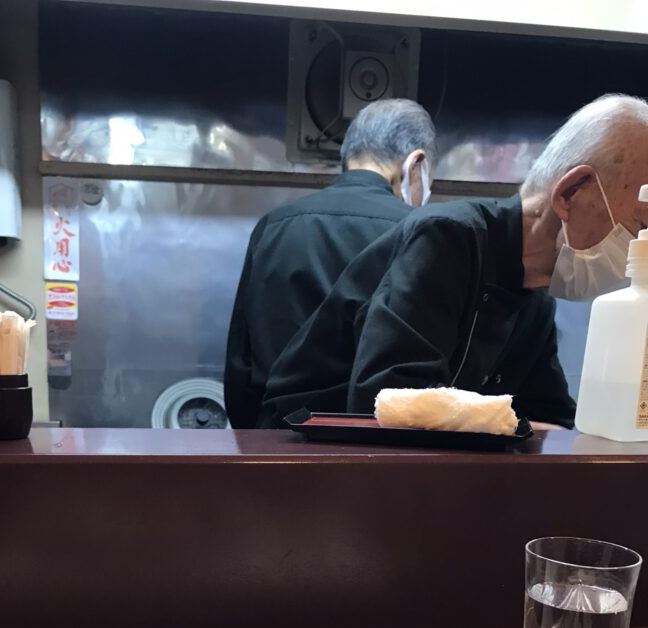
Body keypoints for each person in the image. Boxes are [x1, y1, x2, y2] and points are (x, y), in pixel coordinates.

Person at [261, 94, 648, 430]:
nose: (640, 245)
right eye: (641, 224)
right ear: (570, 193)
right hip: (307, 458)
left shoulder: (536, 292)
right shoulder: (450, 237)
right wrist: (516, 423)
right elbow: (394, 402)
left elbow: (554, 419)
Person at [224, 99, 437, 428]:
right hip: (380, 451)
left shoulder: (273, 226)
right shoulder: (420, 235)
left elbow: (240, 364)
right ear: (416, 164)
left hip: (279, 444)